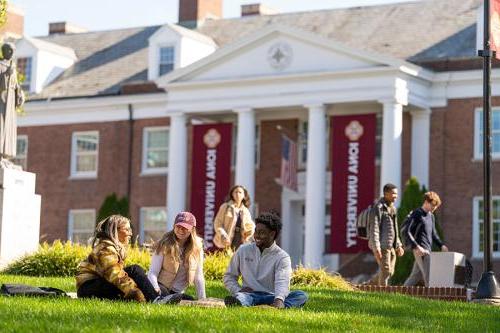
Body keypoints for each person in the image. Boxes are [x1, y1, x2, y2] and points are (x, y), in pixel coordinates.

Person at [76, 215, 177, 304]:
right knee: (134, 270)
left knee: (151, 286)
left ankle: (166, 297)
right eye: (127, 230)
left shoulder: (112, 247)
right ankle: (156, 300)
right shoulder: (105, 248)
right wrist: (139, 295)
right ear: (115, 231)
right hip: (88, 290)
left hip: (97, 287)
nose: (131, 234)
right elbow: (116, 276)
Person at [223, 212, 308, 309]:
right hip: (249, 295)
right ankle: (243, 302)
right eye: (256, 231)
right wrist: (238, 290)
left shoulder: (282, 257)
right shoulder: (243, 250)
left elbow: (282, 281)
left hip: (272, 296)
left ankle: (276, 306)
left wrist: (279, 299)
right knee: (241, 297)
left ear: (272, 234)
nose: (257, 236)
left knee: (301, 295)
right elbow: (229, 276)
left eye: (262, 232)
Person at [147, 211, 206, 301]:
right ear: (174, 226)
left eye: (185, 228)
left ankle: (171, 299)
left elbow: (198, 276)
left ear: (192, 229)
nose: (181, 230)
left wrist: (202, 299)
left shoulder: (197, 248)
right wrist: (155, 288)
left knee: (190, 301)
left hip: (178, 293)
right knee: (170, 298)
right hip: (161, 287)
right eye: (178, 226)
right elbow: (152, 272)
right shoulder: (164, 244)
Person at [404, 191, 448, 287]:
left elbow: (433, 234)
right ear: (426, 202)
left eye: (436, 206)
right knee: (429, 277)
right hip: (420, 250)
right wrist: (417, 247)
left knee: (415, 276)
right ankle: (430, 300)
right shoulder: (417, 213)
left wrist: (441, 245)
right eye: (433, 205)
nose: (434, 208)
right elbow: (407, 231)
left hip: (427, 249)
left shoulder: (431, 216)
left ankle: (398, 294)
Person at [368, 183, 405, 286]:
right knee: (385, 271)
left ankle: (368, 285)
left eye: (396, 194)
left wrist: (398, 245)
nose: (396, 196)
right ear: (386, 193)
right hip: (382, 246)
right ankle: (382, 295)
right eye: (393, 193)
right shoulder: (378, 208)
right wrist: (376, 248)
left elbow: (394, 229)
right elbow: (374, 229)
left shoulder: (393, 209)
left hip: (391, 246)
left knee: (390, 272)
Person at [0, 42, 25, 169]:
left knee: (8, 127)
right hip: (1, 103)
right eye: (10, 50)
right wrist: (5, 75)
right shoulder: (0, 65)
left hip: (10, 104)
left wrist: (19, 94)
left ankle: (5, 155)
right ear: (5, 51)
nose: (12, 53)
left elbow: (16, 85)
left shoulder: (13, 67)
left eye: (13, 51)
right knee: (1, 126)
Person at [213, 185, 255, 250]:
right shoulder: (225, 206)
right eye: (236, 192)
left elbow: (250, 226)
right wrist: (223, 235)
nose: (238, 194)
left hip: (240, 241)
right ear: (232, 194)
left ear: (244, 195)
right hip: (225, 241)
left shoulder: (246, 211)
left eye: (240, 192)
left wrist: (249, 232)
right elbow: (217, 223)